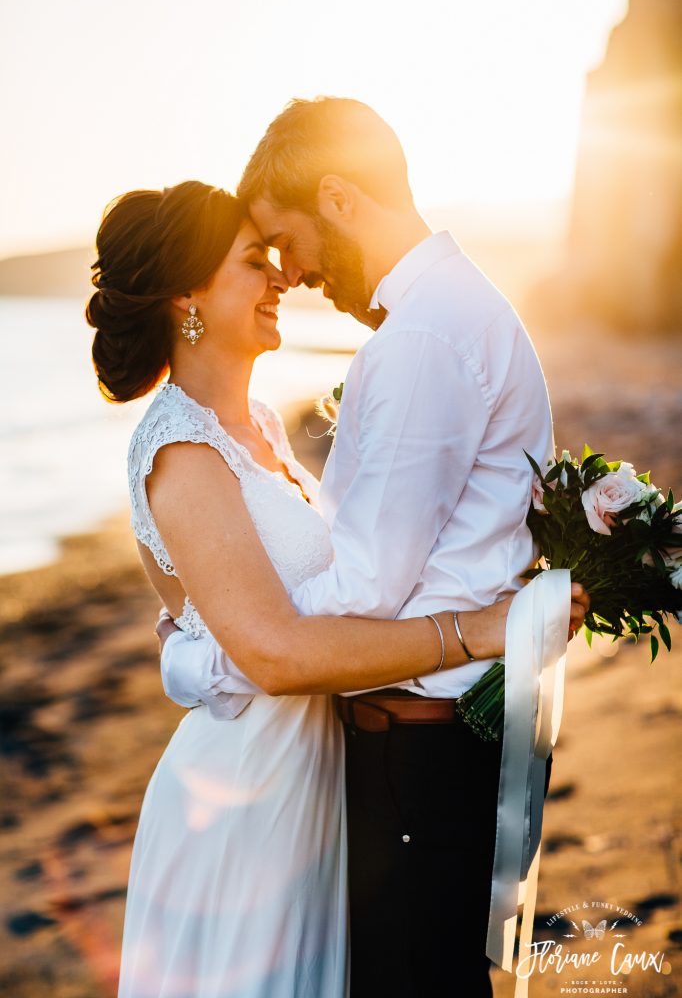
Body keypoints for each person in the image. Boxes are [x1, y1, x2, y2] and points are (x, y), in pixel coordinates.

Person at [85, 180, 587, 998]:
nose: (281, 276)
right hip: (243, 803)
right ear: (188, 300)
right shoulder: (178, 450)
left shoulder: (262, 431)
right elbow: (277, 652)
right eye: (255, 261)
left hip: (316, 788)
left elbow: (333, 589)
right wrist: (479, 630)